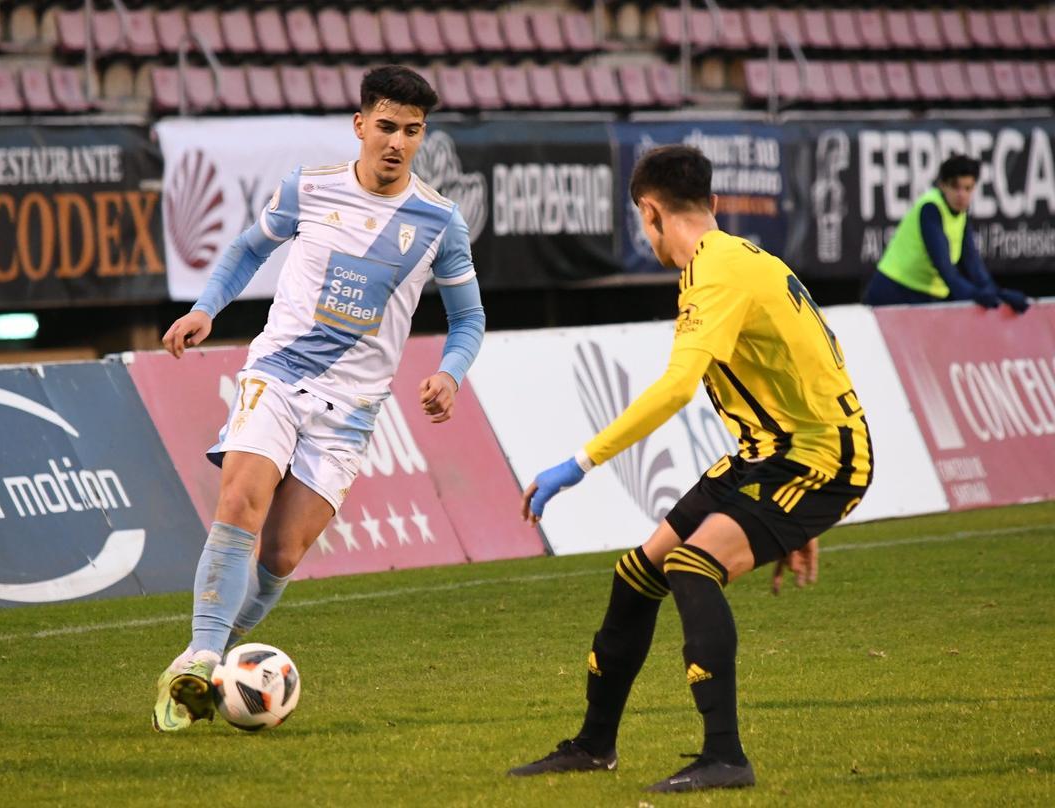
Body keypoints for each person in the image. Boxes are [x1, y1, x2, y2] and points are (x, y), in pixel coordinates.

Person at [508, 145, 873, 793]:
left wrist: (579, 462)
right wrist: (790, 517)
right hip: (773, 453)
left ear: (648, 212)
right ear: (709, 202)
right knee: (638, 572)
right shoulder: (738, 258)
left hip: (813, 455)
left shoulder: (717, 273)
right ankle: (594, 745)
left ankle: (725, 757)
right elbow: (816, 353)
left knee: (691, 565)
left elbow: (678, 388)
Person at [152, 65, 485, 732]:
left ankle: (209, 656)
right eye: (386, 126)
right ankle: (200, 657)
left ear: (423, 137)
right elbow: (248, 251)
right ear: (360, 125)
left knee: (279, 557)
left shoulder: (439, 221)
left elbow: (468, 320)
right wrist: (205, 308)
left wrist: (450, 375)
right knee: (241, 500)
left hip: (351, 411)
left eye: (411, 131)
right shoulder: (309, 188)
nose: (396, 142)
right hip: (277, 375)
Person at [864, 154, 1029, 313]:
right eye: (955, 187)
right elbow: (945, 268)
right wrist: (977, 295)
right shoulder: (930, 209)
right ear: (942, 185)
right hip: (893, 291)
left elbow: (972, 263)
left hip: (925, 295)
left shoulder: (961, 213)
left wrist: (998, 294)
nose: (961, 195)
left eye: (968, 188)